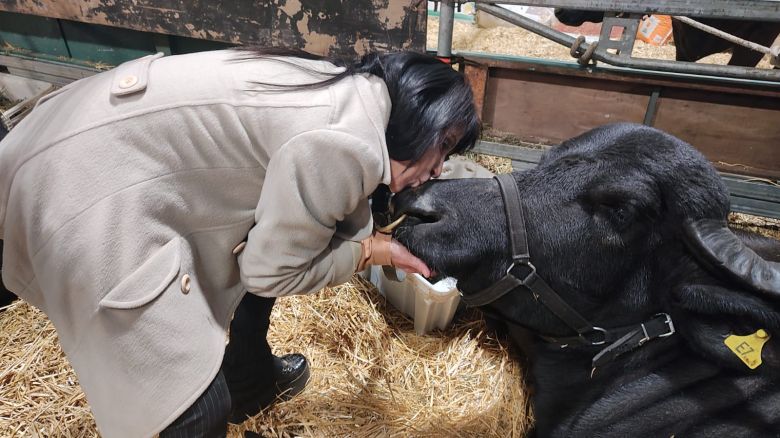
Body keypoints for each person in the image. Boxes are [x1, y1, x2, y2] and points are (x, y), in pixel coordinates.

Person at [0, 47, 479, 437]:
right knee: (192, 413)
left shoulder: (348, 88)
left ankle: (250, 380)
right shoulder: (347, 143)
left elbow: (272, 238)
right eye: (444, 144)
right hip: (80, 189)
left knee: (259, 240)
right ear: (420, 114)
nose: (439, 168)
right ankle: (233, 392)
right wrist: (369, 252)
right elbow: (269, 272)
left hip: (60, 134)